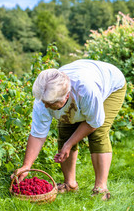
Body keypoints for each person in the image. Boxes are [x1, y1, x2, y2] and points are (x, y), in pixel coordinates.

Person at [11, 59, 126, 200]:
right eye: (45, 103)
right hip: (83, 81)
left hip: (111, 85)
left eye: (51, 103)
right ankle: (70, 184)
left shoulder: (86, 90)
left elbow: (94, 123)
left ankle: (101, 188)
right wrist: (27, 165)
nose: (46, 107)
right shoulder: (44, 98)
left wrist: (69, 144)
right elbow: (38, 134)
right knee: (65, 132)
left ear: (66, 96)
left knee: (98, 133)